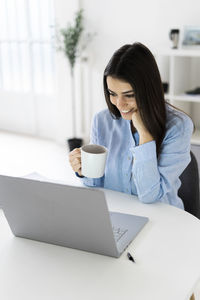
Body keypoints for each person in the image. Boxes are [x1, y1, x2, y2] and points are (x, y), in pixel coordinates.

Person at [69, 42, 194, 209]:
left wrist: (145, 136)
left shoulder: (178, 126)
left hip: (162, 218)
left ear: (148, 90)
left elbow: (150, 196)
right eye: (112, 94)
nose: (119, 104)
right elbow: (95, 184)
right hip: (116, 214)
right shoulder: (102, 121)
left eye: (129, 95)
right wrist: (82, 170)